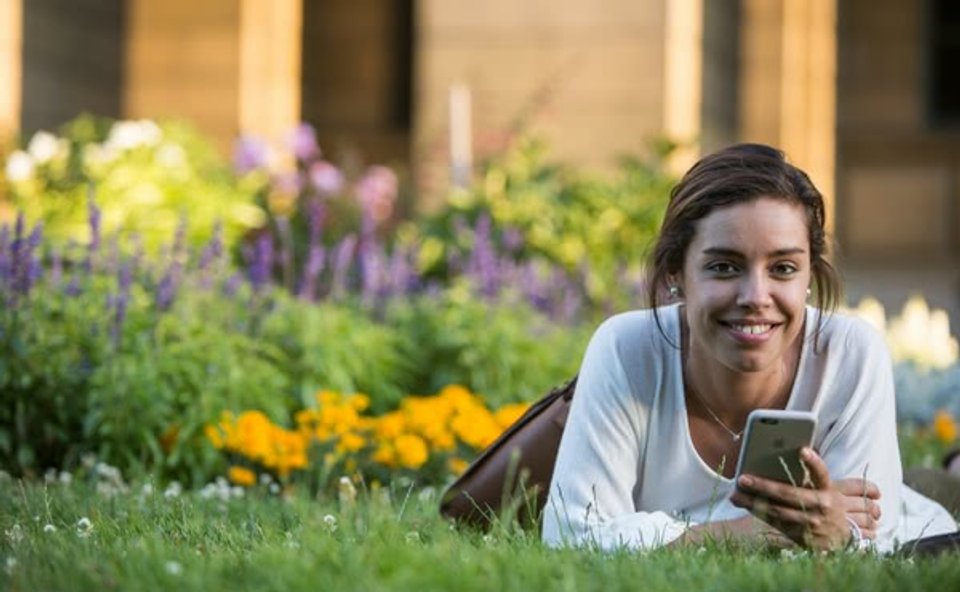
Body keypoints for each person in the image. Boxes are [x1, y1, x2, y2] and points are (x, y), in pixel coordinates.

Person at [542, 143, 958, 553]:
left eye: (783, 269)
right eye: (723, 267)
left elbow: (872, 540)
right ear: (676, 274)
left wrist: (840, 534)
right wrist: (748, 532)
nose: (756, 295)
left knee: (936, 492)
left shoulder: (850, 353)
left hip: (918, 516)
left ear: (809, 275)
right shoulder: (625, 348)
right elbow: (572, 535)